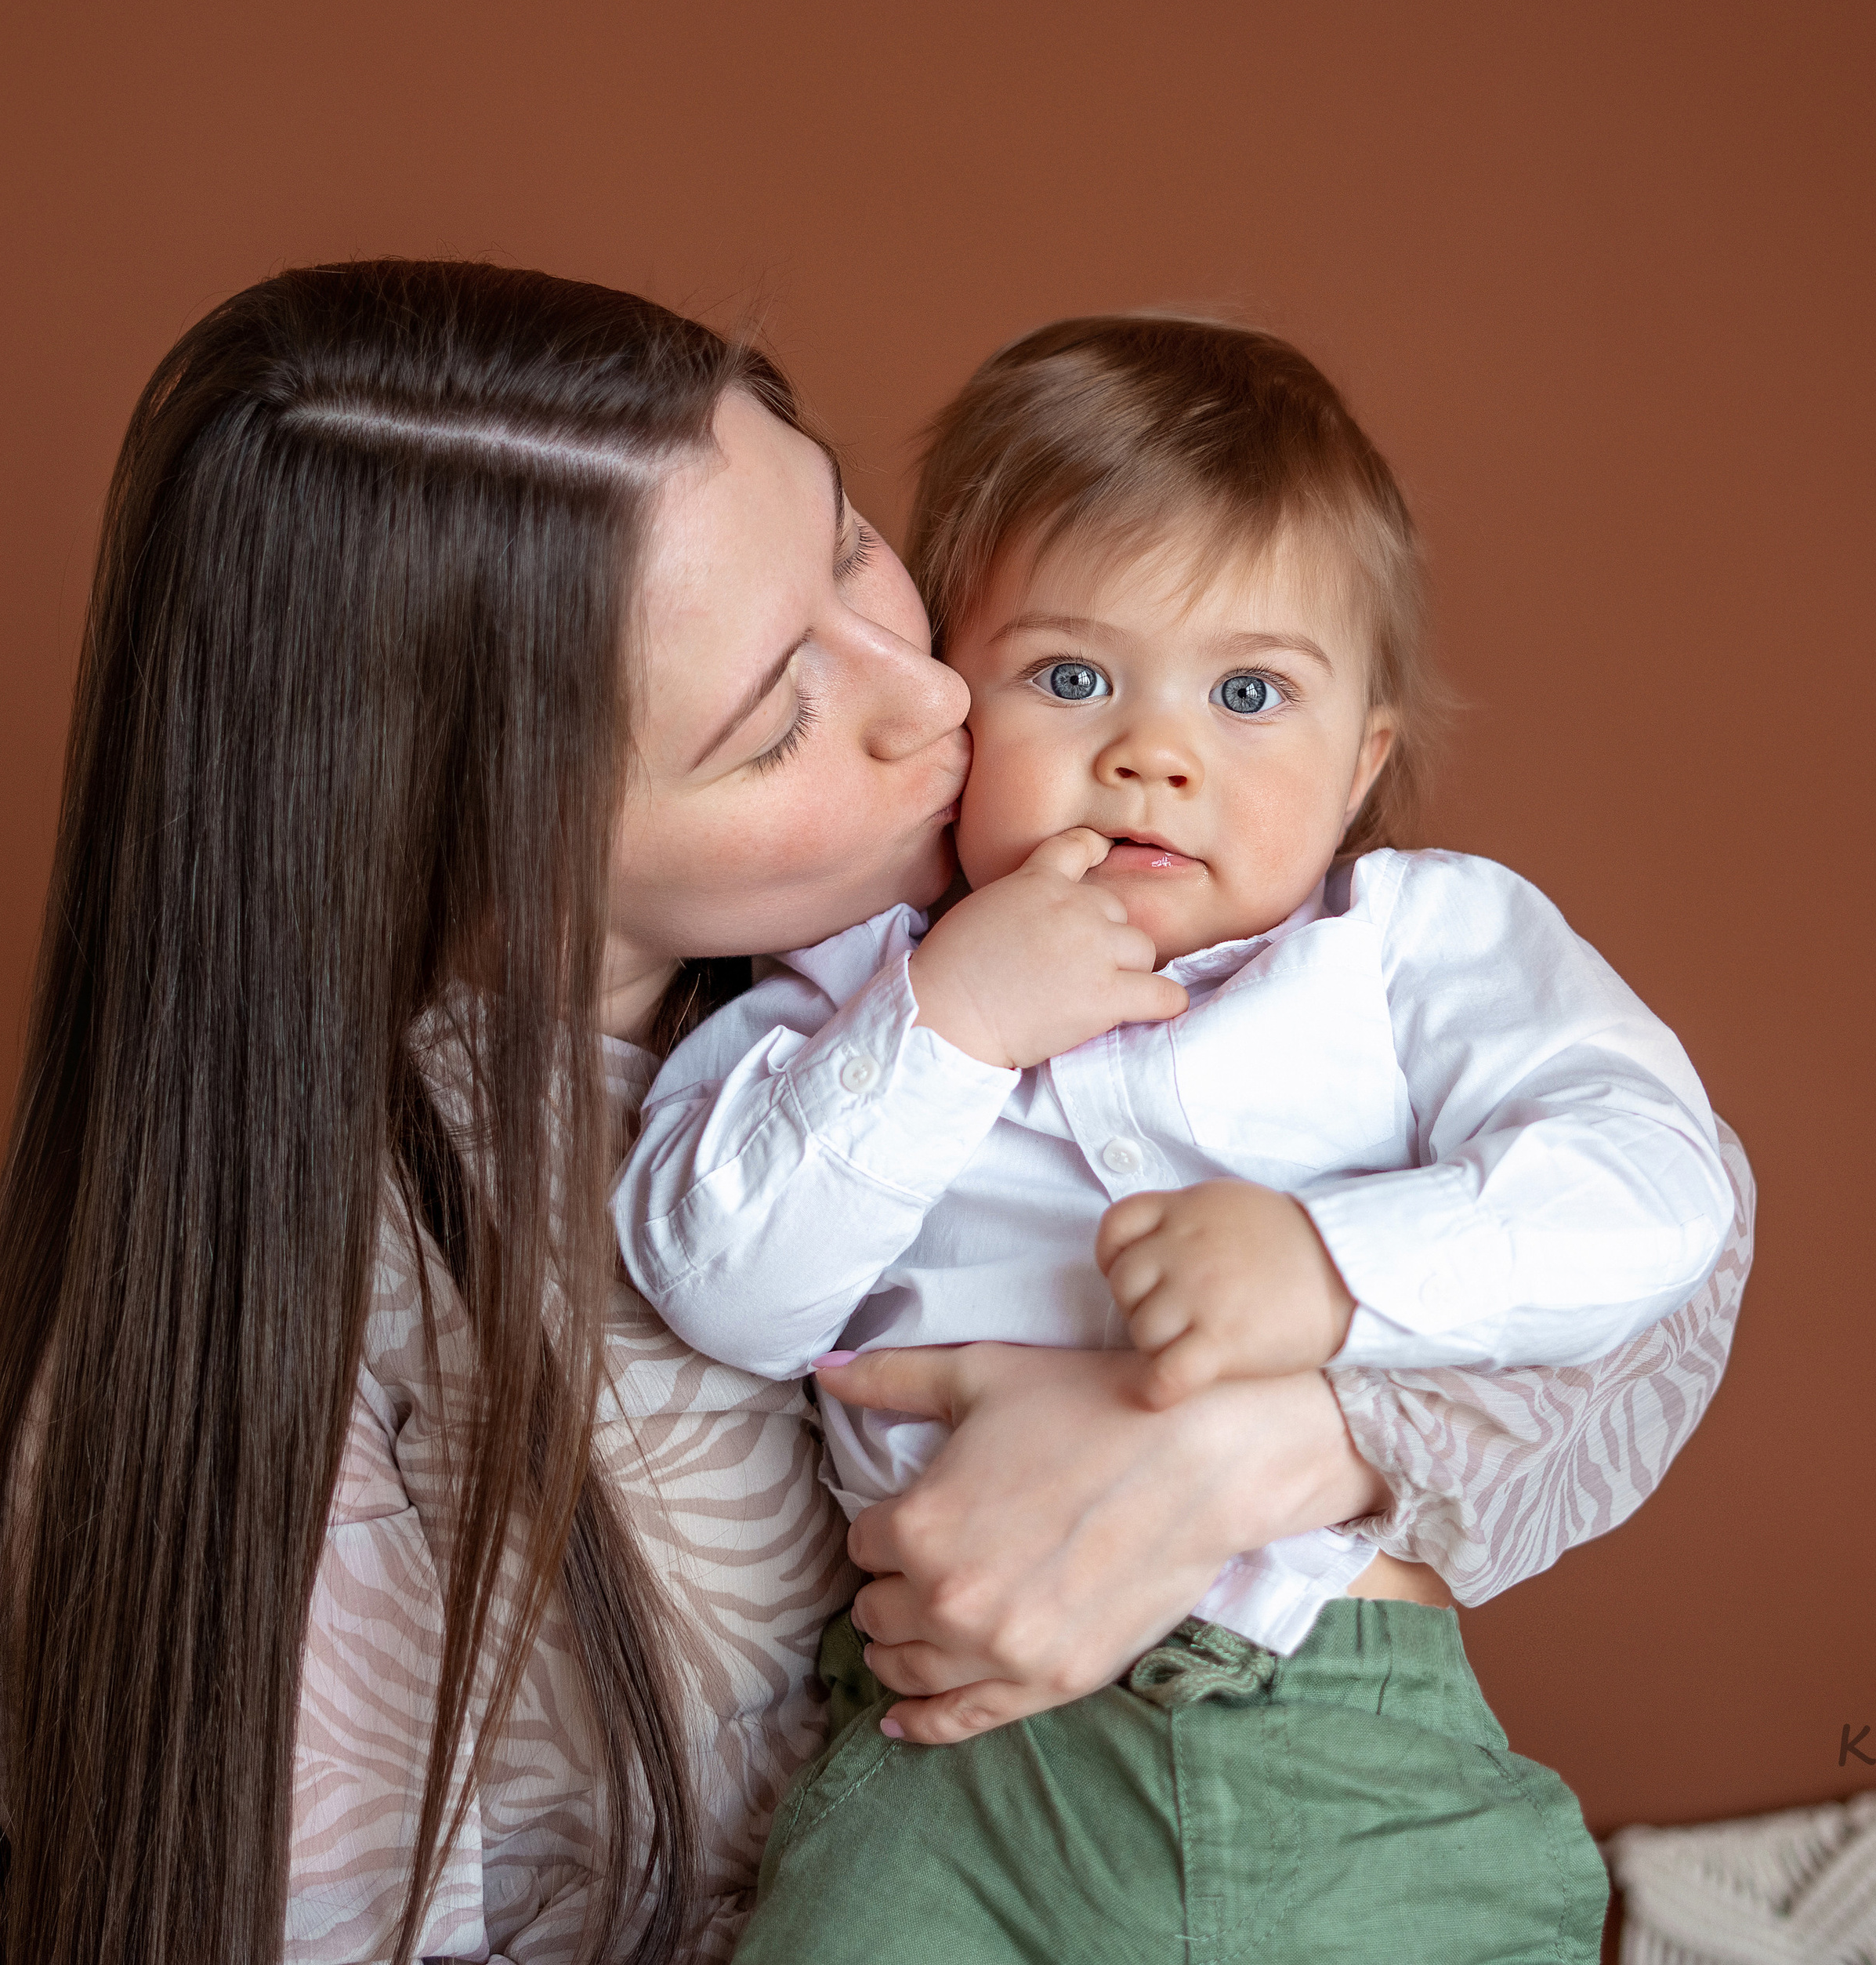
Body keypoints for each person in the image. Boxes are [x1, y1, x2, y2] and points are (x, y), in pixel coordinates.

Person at [0, 262, 1755, 1965]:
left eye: (851, 543)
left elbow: (1665, 1245)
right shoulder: (316, 1374)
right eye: (777, 718)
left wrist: (1254, 1441)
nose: (940, 695)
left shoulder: (1096, 936)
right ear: (499, 847)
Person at [613, 315, 1734, 1962]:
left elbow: (1656, 1191)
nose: (1155, 748)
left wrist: (1332, 1269)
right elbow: (727, 1286)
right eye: (1070, 675)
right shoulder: (852, 993)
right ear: (957, 713)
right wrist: (952, 1021)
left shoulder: (1409, 951)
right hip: (956, 1776)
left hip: (1349, 1747)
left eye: (1250, 690)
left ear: (1360, 763)